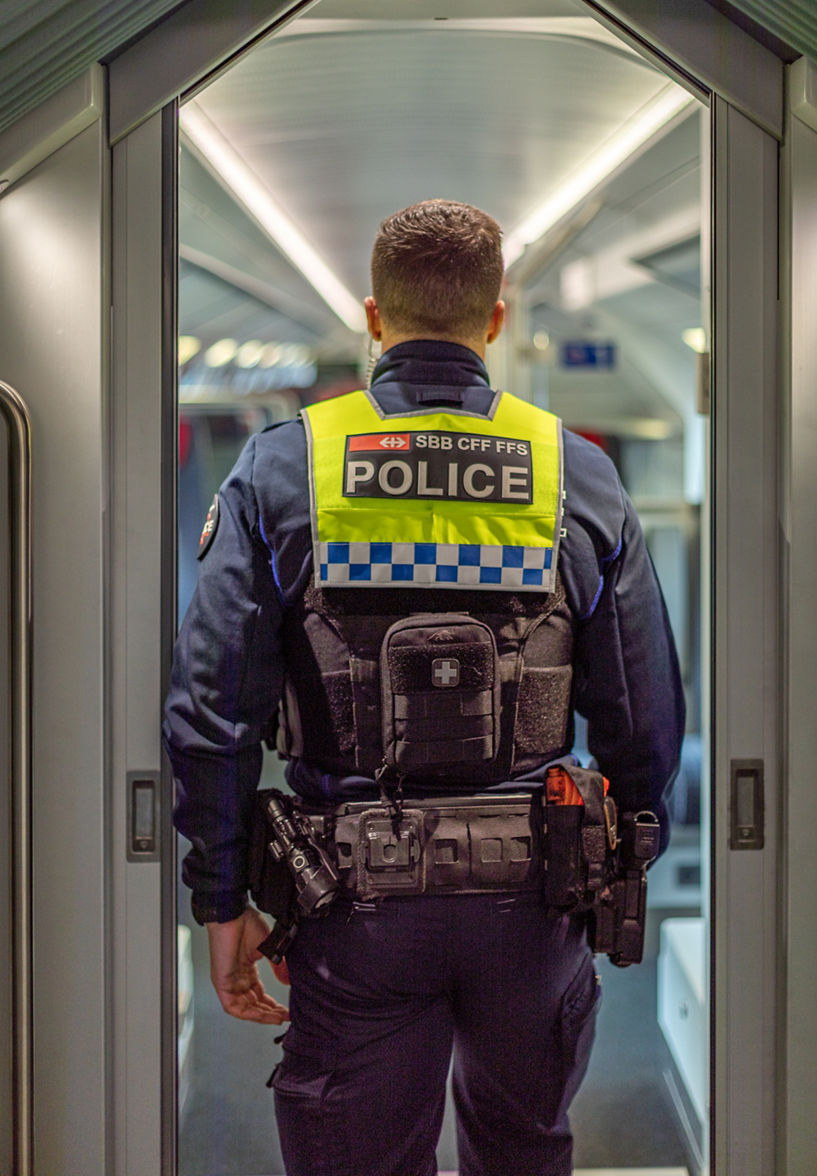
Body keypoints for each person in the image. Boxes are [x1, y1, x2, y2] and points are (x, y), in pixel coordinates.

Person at [163, 199, 684, 1176]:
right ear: (496, 318)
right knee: (523, 1148)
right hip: (534, 897)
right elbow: (642, 712)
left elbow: (211, 708)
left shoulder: (285, 470)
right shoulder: (577, 473)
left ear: (372, 315)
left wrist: (219, 892)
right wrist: (627, 853)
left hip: (348, 901)